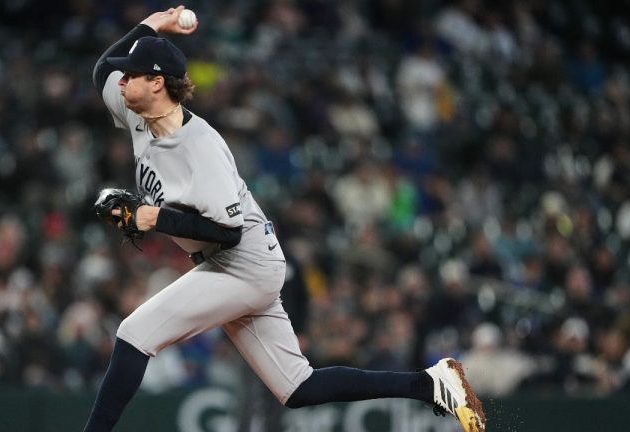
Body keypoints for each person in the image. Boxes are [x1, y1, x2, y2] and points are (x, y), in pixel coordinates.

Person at [82, 6, 486, 432]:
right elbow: (101, 70)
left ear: (157, 83)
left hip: (243, 265)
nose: (121, 80)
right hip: (234, 262)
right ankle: (432, 384)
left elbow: (227, 232)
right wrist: (152, 24)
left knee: (134, 334)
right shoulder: (137, 112)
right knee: (298, 388)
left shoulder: (200, 148)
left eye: (133, 74)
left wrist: (151, 217)